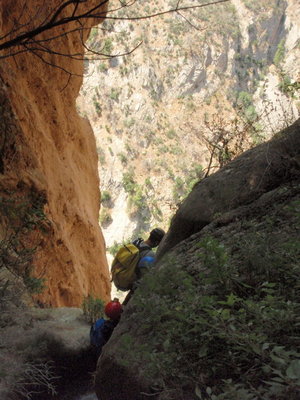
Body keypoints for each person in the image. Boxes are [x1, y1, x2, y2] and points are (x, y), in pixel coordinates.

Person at [122, 228, 165, 305]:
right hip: (131, 281)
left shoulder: (136, 242)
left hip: (123, 273)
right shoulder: (150, 255)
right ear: (156, 243)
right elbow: (145, 277)